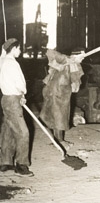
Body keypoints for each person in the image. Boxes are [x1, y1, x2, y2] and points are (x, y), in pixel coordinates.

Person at [0, 38, 33, 176]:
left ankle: (5, 162)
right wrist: (22, 94)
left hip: (5, 98)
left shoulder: (2, 61)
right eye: (19, 48)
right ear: (13, 49)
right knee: (23, 132)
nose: (20, 51)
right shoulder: (13, 64)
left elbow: (2, 54)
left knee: (8, 130)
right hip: (13, 99)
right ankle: (21, 165)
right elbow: (20, 83)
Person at [39, 48, 85, 141]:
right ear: (75, 56)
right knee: (59, 119)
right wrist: (67, 59)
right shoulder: (65, 63)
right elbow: (50, 52)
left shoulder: (73, 65)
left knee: (59, 118)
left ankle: (58, 140)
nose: (83, 58)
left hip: (62, 94)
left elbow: (75, 83)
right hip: (57, 93)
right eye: (82, 56)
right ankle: (59, 141)